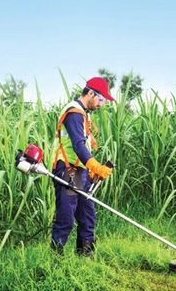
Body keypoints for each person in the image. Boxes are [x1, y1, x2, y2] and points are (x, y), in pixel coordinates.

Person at [51, 77, 115, 256]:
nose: (101, 104)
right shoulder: (74, 113)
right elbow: (78, 145)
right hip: (68, 169)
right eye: (101, 99)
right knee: (66, 216)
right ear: (91, 93)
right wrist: (96, 166)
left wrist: (91, 170)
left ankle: (85, 256)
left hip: (80, 170)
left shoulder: (83, 113)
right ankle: (55, 260)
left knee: (87, 214)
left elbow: (85, 146)